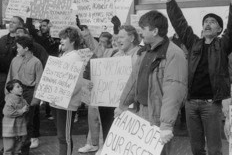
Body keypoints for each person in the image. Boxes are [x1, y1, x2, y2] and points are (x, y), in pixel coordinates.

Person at [162, 0, 232, 155]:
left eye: (212, 22)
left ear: (219, 29)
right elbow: (180, 23)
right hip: (190, 104)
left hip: (211, 105)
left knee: (214, 149)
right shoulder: (194, 43)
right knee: (196, 148)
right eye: (206, 21)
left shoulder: (223, 45)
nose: (208, 24)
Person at [115, 11, 188, 155]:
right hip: (141, 111)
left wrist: (166, 125)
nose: (140, 32)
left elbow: (173, 92)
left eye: (143, 28)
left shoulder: (174, 54)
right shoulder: (145, 51)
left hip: (158, 116)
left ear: (155, 31)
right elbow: (133, 80)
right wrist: (122, 105)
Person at [79, 24, 141, 155]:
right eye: (117, 37)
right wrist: (94, 83)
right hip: (109, 108)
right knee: (111, 140)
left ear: (132, 37)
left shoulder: (140, 55)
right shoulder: (115, 55)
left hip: (129, 108)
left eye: (122, 37)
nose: (118, 40)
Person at [50, 26, 91, 155]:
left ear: (72, 41)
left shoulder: (75, 57)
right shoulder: (64, 55)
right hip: (56, 101)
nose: (61, 41)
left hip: (66, 103)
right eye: (61, 38)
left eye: (64, 38)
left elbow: (76, 83)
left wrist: (62, 96)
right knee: (61, 136)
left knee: (64, 137)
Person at [6, 36, 43, 155]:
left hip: (28, 93)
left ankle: (24, 150)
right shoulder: (14, 60)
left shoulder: (36, 62)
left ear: (26, 48)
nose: (16, 49)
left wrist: (36, 99)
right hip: (14, 93)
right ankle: (13, 149)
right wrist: (7, 94)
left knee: (26, 123)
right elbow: (9, 77)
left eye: (18, 47)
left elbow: (39, 81)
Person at [15, 26, 49, 148]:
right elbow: (12, 74)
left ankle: (28, 142)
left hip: (30, 91)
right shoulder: (16, 59)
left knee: (30, 118)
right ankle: (18, 143)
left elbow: (39, 76)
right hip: (17, 91)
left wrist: (37, 96)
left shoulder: (37, 59)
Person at [0, 16, 24, 136]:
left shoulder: (21, 41)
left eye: (14, 23)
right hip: (2, 76)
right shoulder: (3, 39)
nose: (11, 24)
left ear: (20, 25)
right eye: (10, 22)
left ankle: (13, 135)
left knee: (12, 105)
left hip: (15, 79)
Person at [2, 79, 29, 155]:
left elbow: (26, 108)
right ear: (11, 91)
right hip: (10, 128)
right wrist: (22, 111)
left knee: (17, 148)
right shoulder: (10, 100)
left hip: (19, 127)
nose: (21, 88)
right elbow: (7, 112)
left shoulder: (22, 99)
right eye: (17, 87)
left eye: (21, 86)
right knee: (9, 148)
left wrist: (27, 108)